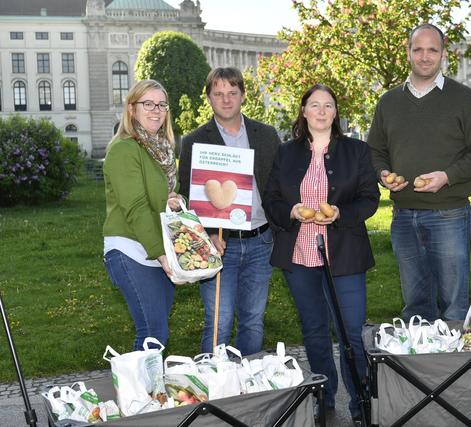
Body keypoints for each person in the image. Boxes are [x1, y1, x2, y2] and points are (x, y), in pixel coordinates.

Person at [263, 84, 380, 425]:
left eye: (328, 105)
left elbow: (369, 198)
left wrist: (341, 213)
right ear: (303, 111)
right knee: (314, 331)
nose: (321, 111)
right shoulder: (286, 153)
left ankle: (361, 404)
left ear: (335, 113)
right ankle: (323, 399)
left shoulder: (356, 151)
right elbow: (271, 197)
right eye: (314, 105)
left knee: (351, 332)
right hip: (300, 256)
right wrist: (292, 211)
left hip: (344, 255)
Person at [367, 23, 471, 322]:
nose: (425, 57)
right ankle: (419, 367)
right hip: (403, 216)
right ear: (408, 51)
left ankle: (453, 368)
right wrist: (383, 173)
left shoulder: (462, 98)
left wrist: (447, 176)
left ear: (443, 53)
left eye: (432, 50)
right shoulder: (389, 101)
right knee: (415, 306)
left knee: (454, 306)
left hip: (449, 215)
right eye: (418, 49)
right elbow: (375, 151)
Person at [179, 67, 281, 356]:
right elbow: (188, 198)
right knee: (218, 323)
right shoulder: (194, 141)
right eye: (219, 94)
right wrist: (206, 233)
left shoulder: (267, 135)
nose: (226, 100)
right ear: (209, 98)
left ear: (243, 96)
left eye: (232, 93)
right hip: (219, 246)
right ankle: (215, 392)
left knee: (253, 322)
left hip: (261, 241)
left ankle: (249, 390)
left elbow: (280, 185)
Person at [103, 79, 183, 351]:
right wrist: (162, 254)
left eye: (161, 104)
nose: (156, 110)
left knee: (156, 335)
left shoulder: (161, 151)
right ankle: (137, 393)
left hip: (157, 247)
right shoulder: (125, 149)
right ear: (131, 109)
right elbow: (136, 206)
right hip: (132, 250)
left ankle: (150, 393)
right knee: (152, 333)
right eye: (147, 103)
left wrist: (174, 200)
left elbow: (160, 197)